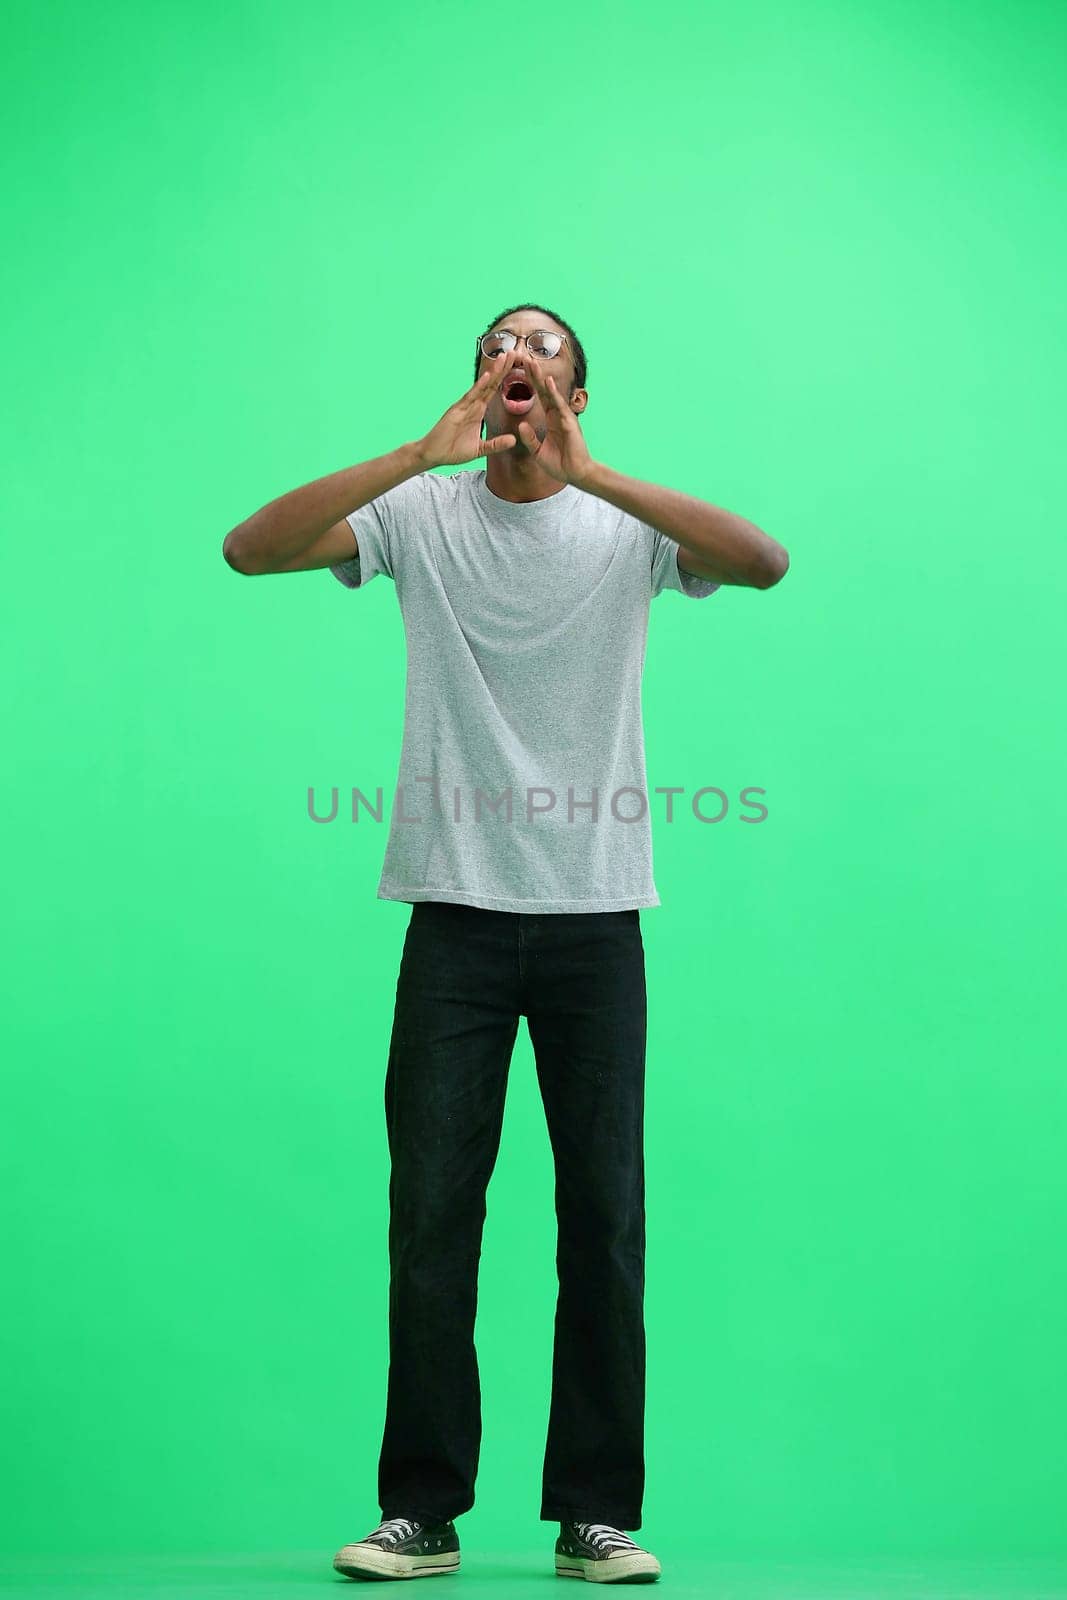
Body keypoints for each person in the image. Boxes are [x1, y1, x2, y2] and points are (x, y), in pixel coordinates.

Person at [222, 304, 789, 1583]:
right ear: (479, 384)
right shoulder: (421, 518)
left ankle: (593, 1511)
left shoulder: (620, 524)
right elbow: (246, 550)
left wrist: (596, 473)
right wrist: (415, 457)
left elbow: (763, 561)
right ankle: (420, 1510)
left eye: (540, 342)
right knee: (430, 1217)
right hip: (454, 917)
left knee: (603, 1218)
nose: (516, 353)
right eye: (495, 344)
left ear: (575, 381)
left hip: (594, 920)